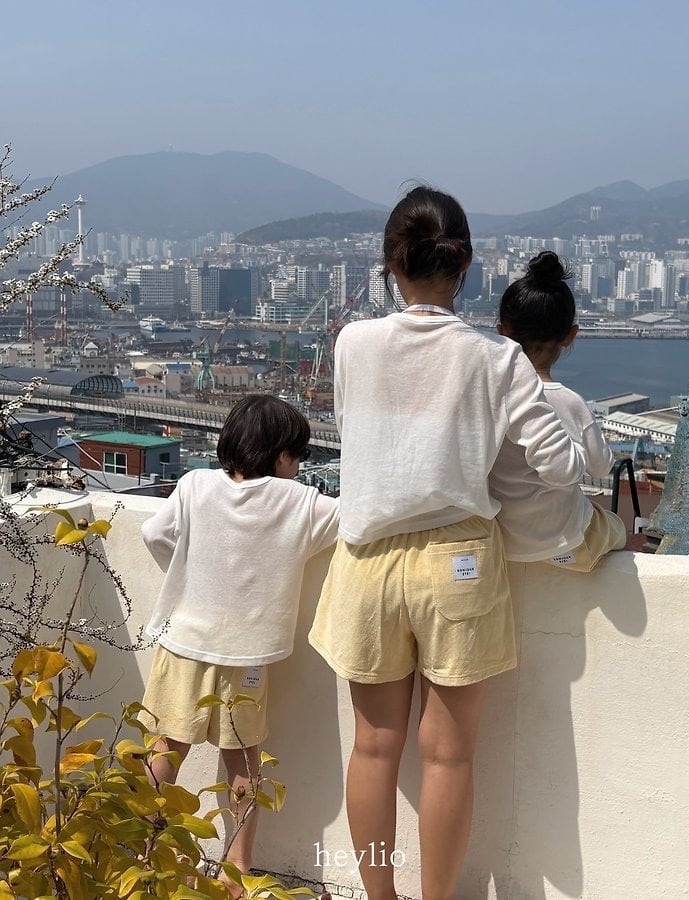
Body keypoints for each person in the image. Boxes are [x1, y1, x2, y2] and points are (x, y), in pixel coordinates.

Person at [308, 186, 587, 900]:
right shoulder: (497, 358)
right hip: (458, 562)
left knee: (374, 749)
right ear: (464, 266)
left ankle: (379, 895)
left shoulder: (353, 342)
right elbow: (561, 467)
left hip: (368, 561)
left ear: (390, 264)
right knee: (449, 758)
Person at [140, 394, 338, 898]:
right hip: (248, 656)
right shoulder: (301, 503)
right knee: (244, 762)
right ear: (281, 455)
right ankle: (237, 870)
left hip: (185, 643)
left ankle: (146, 853)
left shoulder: (195, 485)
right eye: (298, 455)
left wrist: (187, 580)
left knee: (165, 749)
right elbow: (357, 518)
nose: (299, 466)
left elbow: (154, 533)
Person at [491, 251, 626, 570]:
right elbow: (601, 468)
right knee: (616, 527)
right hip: (564, 541)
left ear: (502, 331)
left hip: (499, 538)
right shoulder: (571, 403)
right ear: (570, 335)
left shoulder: (490, 395)